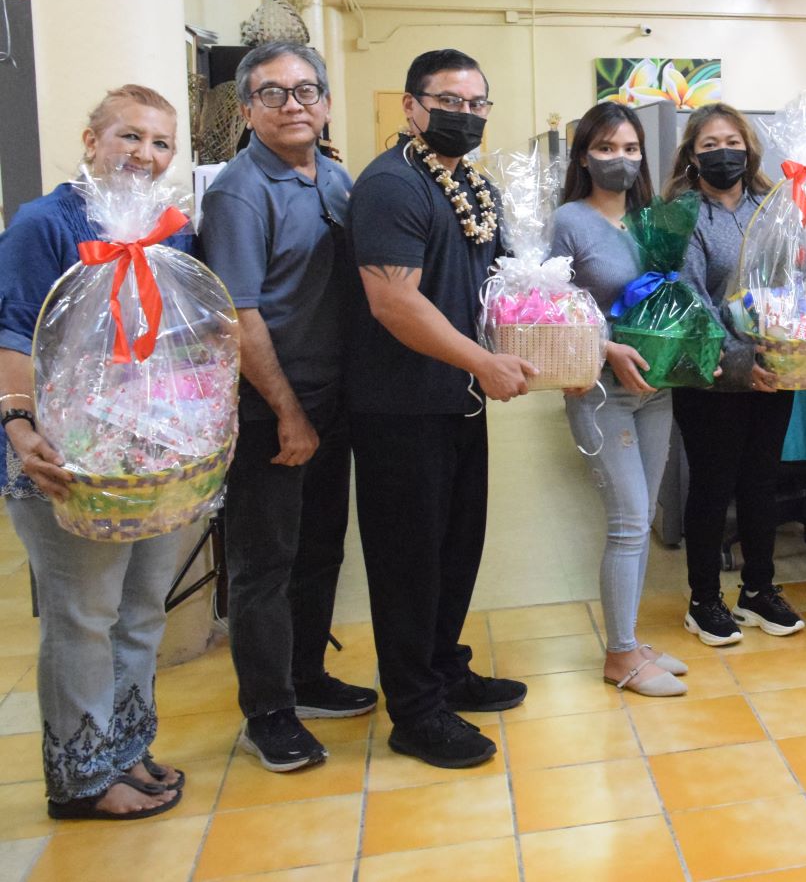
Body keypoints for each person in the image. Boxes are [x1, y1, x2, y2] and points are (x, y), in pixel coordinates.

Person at [0, 86, 192, 819]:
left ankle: (125, 749)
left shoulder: (169, 232)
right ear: (90, 140)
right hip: (65, 456)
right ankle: (81, 777)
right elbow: (13, 329)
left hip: (152, 458)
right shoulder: (44, 224)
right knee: (82, 613)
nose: (144, 155)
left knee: (142, 607)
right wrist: (21, 427)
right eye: (129, 137)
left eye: (160, 143)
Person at [346, 48, 535, 769]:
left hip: (455, 402)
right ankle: (414, 710)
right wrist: (482, 363)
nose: (465, 114)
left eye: (477, 103)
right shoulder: (392, 185)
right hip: (401, 407)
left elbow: (508, 287)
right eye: (449, 101)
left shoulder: (473, 188)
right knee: (407, 563)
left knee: (455, 551)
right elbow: (393, 301)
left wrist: (576, 351)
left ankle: (444, 671)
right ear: (411, 105)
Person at [199, 42, 376, 772]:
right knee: (263, 563)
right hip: (272, 407)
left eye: (306, 90)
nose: (293, 104)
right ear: (246, 110)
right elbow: (238, 317)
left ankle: (307, 677)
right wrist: (289, 412)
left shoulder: (334, 179)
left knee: (321, 547)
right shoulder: (240, 192)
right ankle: (267, 710)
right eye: (272, 94)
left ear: (327, 103)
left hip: (335, 399)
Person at [549, 102, 690, 695]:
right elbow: (549, 309)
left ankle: (630, 638)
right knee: (629, 522)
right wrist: (606, 349)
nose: (620, 159)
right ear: (584, 155)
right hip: (602, 391)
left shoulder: (655, 220)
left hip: (657, 391)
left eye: (631, 149)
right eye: (606, 148)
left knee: (644, 512)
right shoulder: (568, 222)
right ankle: (620, 657)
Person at [666, 102, 806, 646]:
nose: (723, 153)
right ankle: (704, 600)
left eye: (732, 142)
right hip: (712, 375)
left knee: (761, 482)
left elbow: (795, 283)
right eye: (709, 146)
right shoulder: (683, 214)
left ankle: (758, 589)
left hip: (774, 371)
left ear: (748, 148)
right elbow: (691, 300)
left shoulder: (774, 206)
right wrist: (741, 363)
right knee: (712, 484)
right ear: (692, 156)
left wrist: (788, 348)